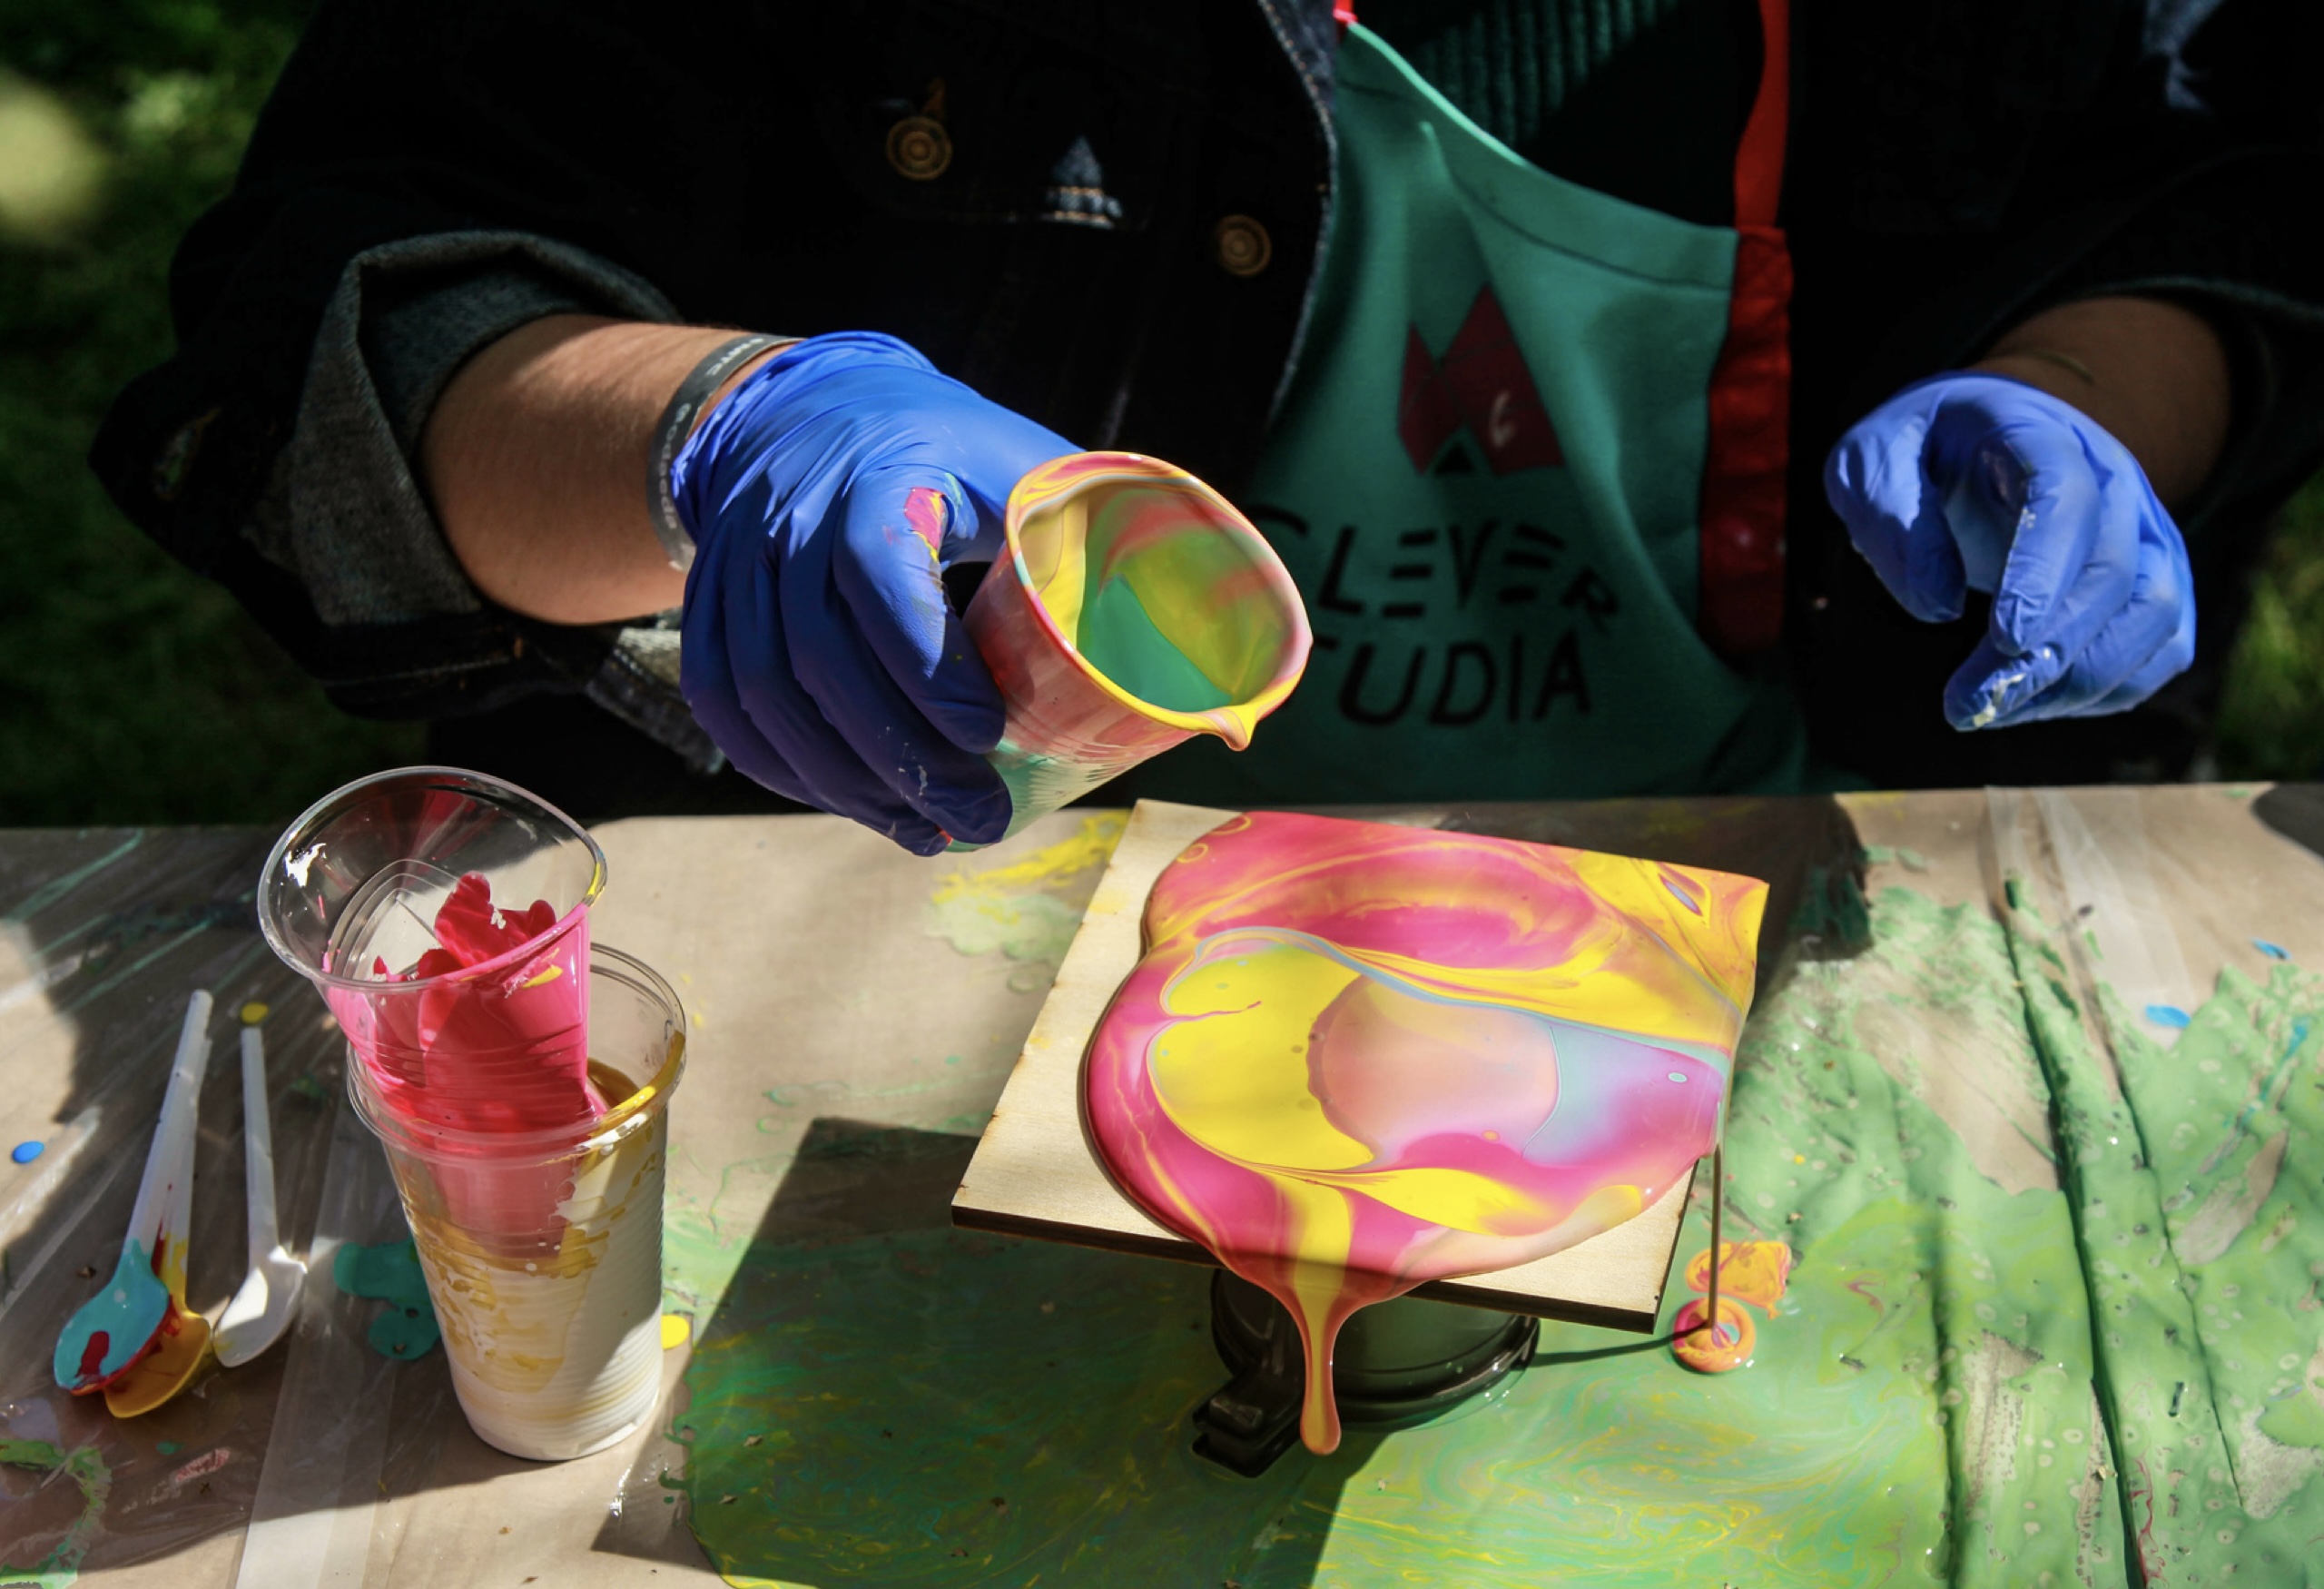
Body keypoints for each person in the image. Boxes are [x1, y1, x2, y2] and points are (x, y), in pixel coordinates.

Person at [92, 0, 2324, 852]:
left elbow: (2227, 192)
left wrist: (2076, 399)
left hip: (1755, 890)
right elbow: (325, 334)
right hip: (968, 912)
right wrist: (718, 424)